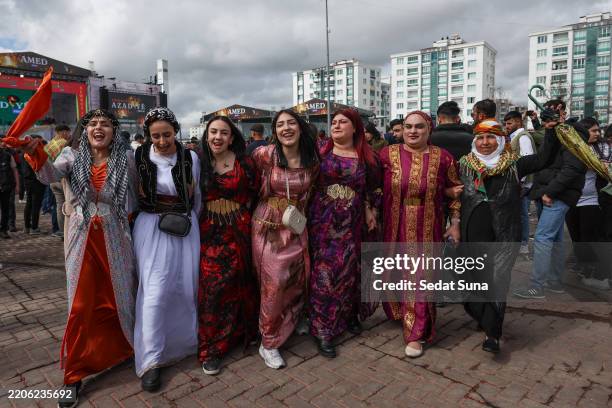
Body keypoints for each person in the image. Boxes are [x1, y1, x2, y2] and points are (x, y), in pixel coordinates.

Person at [23, 109, 139, 408]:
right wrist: (34, 152)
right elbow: (48, 174)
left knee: (121, 297)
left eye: (105, 124)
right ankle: (74, 374)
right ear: (84, 130)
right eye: (92, 124)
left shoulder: (125, 159)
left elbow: (136, 198)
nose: (98, 128)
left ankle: (125, 350)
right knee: (81, 303)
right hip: (81, 237)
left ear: (114, 131)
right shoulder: (70, 157)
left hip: (115, 235)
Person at [458, 118, 560, 353]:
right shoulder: (462, 165)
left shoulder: (515, 164)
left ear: (501, 139)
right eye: (481, 138)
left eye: (491, 137)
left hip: (505, 230)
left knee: (498, 279)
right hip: (473, 228)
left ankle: (492, 333)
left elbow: (545, 158)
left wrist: (551, 132)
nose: (485, 142)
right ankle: (483, 316)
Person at [379, 110, 461, 358]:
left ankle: (417, 334)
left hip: (428, 226)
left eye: (419, 127)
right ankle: (402, 314)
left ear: (429, 130)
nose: (413, 131)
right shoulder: (387, 155)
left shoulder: (443, 158)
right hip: (393, 224)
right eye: (408, 127)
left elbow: (455, 191)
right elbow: (371, 185)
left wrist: (455, 222)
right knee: (393, 273)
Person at [132, 107, 201, 391]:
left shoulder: (190, 157)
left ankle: (183, 343)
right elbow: (129, 195)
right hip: (151, 229)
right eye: (156, 136)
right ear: (148, 136)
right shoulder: (137, 157)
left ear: (176, 132)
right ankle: (151, 360)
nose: (162, 141)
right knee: (154, 293)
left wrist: (194, 222)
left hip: (184, 228)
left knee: (185, 288)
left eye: (167, 134)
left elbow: (197, 196)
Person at [308, 109, 382, 358]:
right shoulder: (319, 153)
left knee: (350, 272)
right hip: (323, 223)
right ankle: (322, 329)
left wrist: (371, 209)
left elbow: (374, 188)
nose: (337, 125)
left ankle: (348, 315)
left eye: (343, 122)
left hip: (353, 223)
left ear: (355, 128)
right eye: (335, 122)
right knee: (325, 274)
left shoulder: (367, 157)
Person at [251, 109, 319, 369]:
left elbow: (312, 191)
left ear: (301, 128)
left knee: (298, 276)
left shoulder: (311, 159)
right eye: (281, 125)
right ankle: (268, 342)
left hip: (296, 224)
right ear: (275, 131)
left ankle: (290, 322)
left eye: (292, 123)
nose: (286, 128)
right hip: (269, 226)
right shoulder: (264, 155)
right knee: (274, 283)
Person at [198, 115, 259, 375]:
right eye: (213, 132)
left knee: (241, 284)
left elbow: (257, 193)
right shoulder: (197, 162)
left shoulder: (246, 162)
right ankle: (211, 348)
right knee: (213, 289)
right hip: (210, 234)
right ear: (206, 134)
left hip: (240, 231)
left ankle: (239, 334)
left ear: (232, 137)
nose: (217, 137)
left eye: (223, 132)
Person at [513, 103, 587, 299]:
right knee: (554, 239)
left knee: (543, 238)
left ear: (564, 113)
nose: (550, 119)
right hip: (545, 190)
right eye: (547, 116)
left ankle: (537, 287)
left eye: (555, 114)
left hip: (557, 194)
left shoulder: (573, 135)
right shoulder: (556, 133)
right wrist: (549, 129)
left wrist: (551, 192)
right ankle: (554, 282)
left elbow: (572, 169)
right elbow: (545, 158)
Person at [564, 117, 610, 290]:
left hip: (592, 201)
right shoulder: (572, 148)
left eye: (598, 130)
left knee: (590, 238)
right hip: (572, 201)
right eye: (593, 130)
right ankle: (585, 268)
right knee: (577, 239)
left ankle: (600, 275)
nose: (597, 133)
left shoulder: (603, 147)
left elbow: (604, 167)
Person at [504, 110, 537, 255]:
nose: (507, 126)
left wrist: (521, 183)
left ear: (518, 122)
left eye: (509, 123)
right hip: (518, 183)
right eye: (506, 123)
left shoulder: (523, 137)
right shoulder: (515, 136)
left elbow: (528, 161)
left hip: (522, 184)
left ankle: (523, 244)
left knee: (522, 214)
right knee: (518, 214)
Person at [49, 125, 72, 239]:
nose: (69, 134)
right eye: (68, 132)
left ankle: (60, 231)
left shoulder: (50, 144)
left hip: (52, 179)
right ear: (63, 132)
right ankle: (68, 232)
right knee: (68, 205)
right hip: (62, 178)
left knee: (58, 206)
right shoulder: (64, 143)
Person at [22, 135, 46, 234]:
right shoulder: (34, 153)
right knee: (35, 204)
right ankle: (34, 228)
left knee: (29, 203)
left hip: (27, 181)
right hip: (36, 181)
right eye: (39, 142)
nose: (41, 145)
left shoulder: (25, 153)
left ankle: (27, 227)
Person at [0, 139, 19, 239]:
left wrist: (17, 185)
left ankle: (4, 230)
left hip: (6, 186)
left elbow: (14, 170)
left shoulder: (7, 155)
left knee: (6, 209)